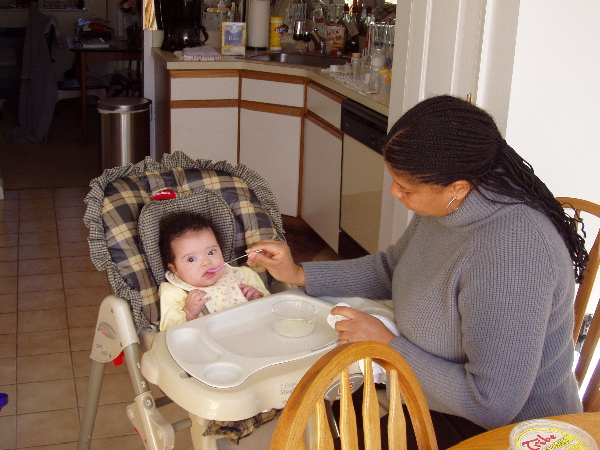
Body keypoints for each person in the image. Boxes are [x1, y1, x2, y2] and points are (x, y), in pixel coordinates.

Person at [246, 95, 588, 448]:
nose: (395, 192)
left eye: (407, 188)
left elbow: (490, 404)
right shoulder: (450, 205)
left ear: (457, 189)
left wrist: (388, 346)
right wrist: (298, 272)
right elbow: (393, 268)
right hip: (432, 396)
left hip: (514, 434)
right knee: (334, 415)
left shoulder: (514, 254)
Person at [158, 211, 269, 331]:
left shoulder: (244, 275)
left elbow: (271, 306)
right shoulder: (172, 291)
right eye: (191, 259)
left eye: (211, 252)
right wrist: (189, 312)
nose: (206, 262)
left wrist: (258, 298)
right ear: (175, 269)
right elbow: (168, 331)